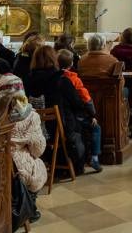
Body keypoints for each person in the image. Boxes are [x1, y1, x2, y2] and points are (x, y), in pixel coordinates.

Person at [27, 46, 90, 174]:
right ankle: (77, 163)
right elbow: (77, 102)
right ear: (53, 59)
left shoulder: (28, 79)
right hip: (56, 128)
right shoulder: (60, 79)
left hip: (34, 128)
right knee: (84, 123)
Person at [0, 74, 48, 195]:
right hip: (18, 170)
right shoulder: (31, 116)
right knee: (37, 167)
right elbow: (37, 150)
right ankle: (28, 201)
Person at [58, 49, 101, 173]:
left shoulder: (55, 77)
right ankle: (94, 158)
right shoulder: (73, 79)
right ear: (72, 64)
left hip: (61, 117)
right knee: (96, 127)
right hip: (75, 117)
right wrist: (92, 114)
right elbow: (85, 98)